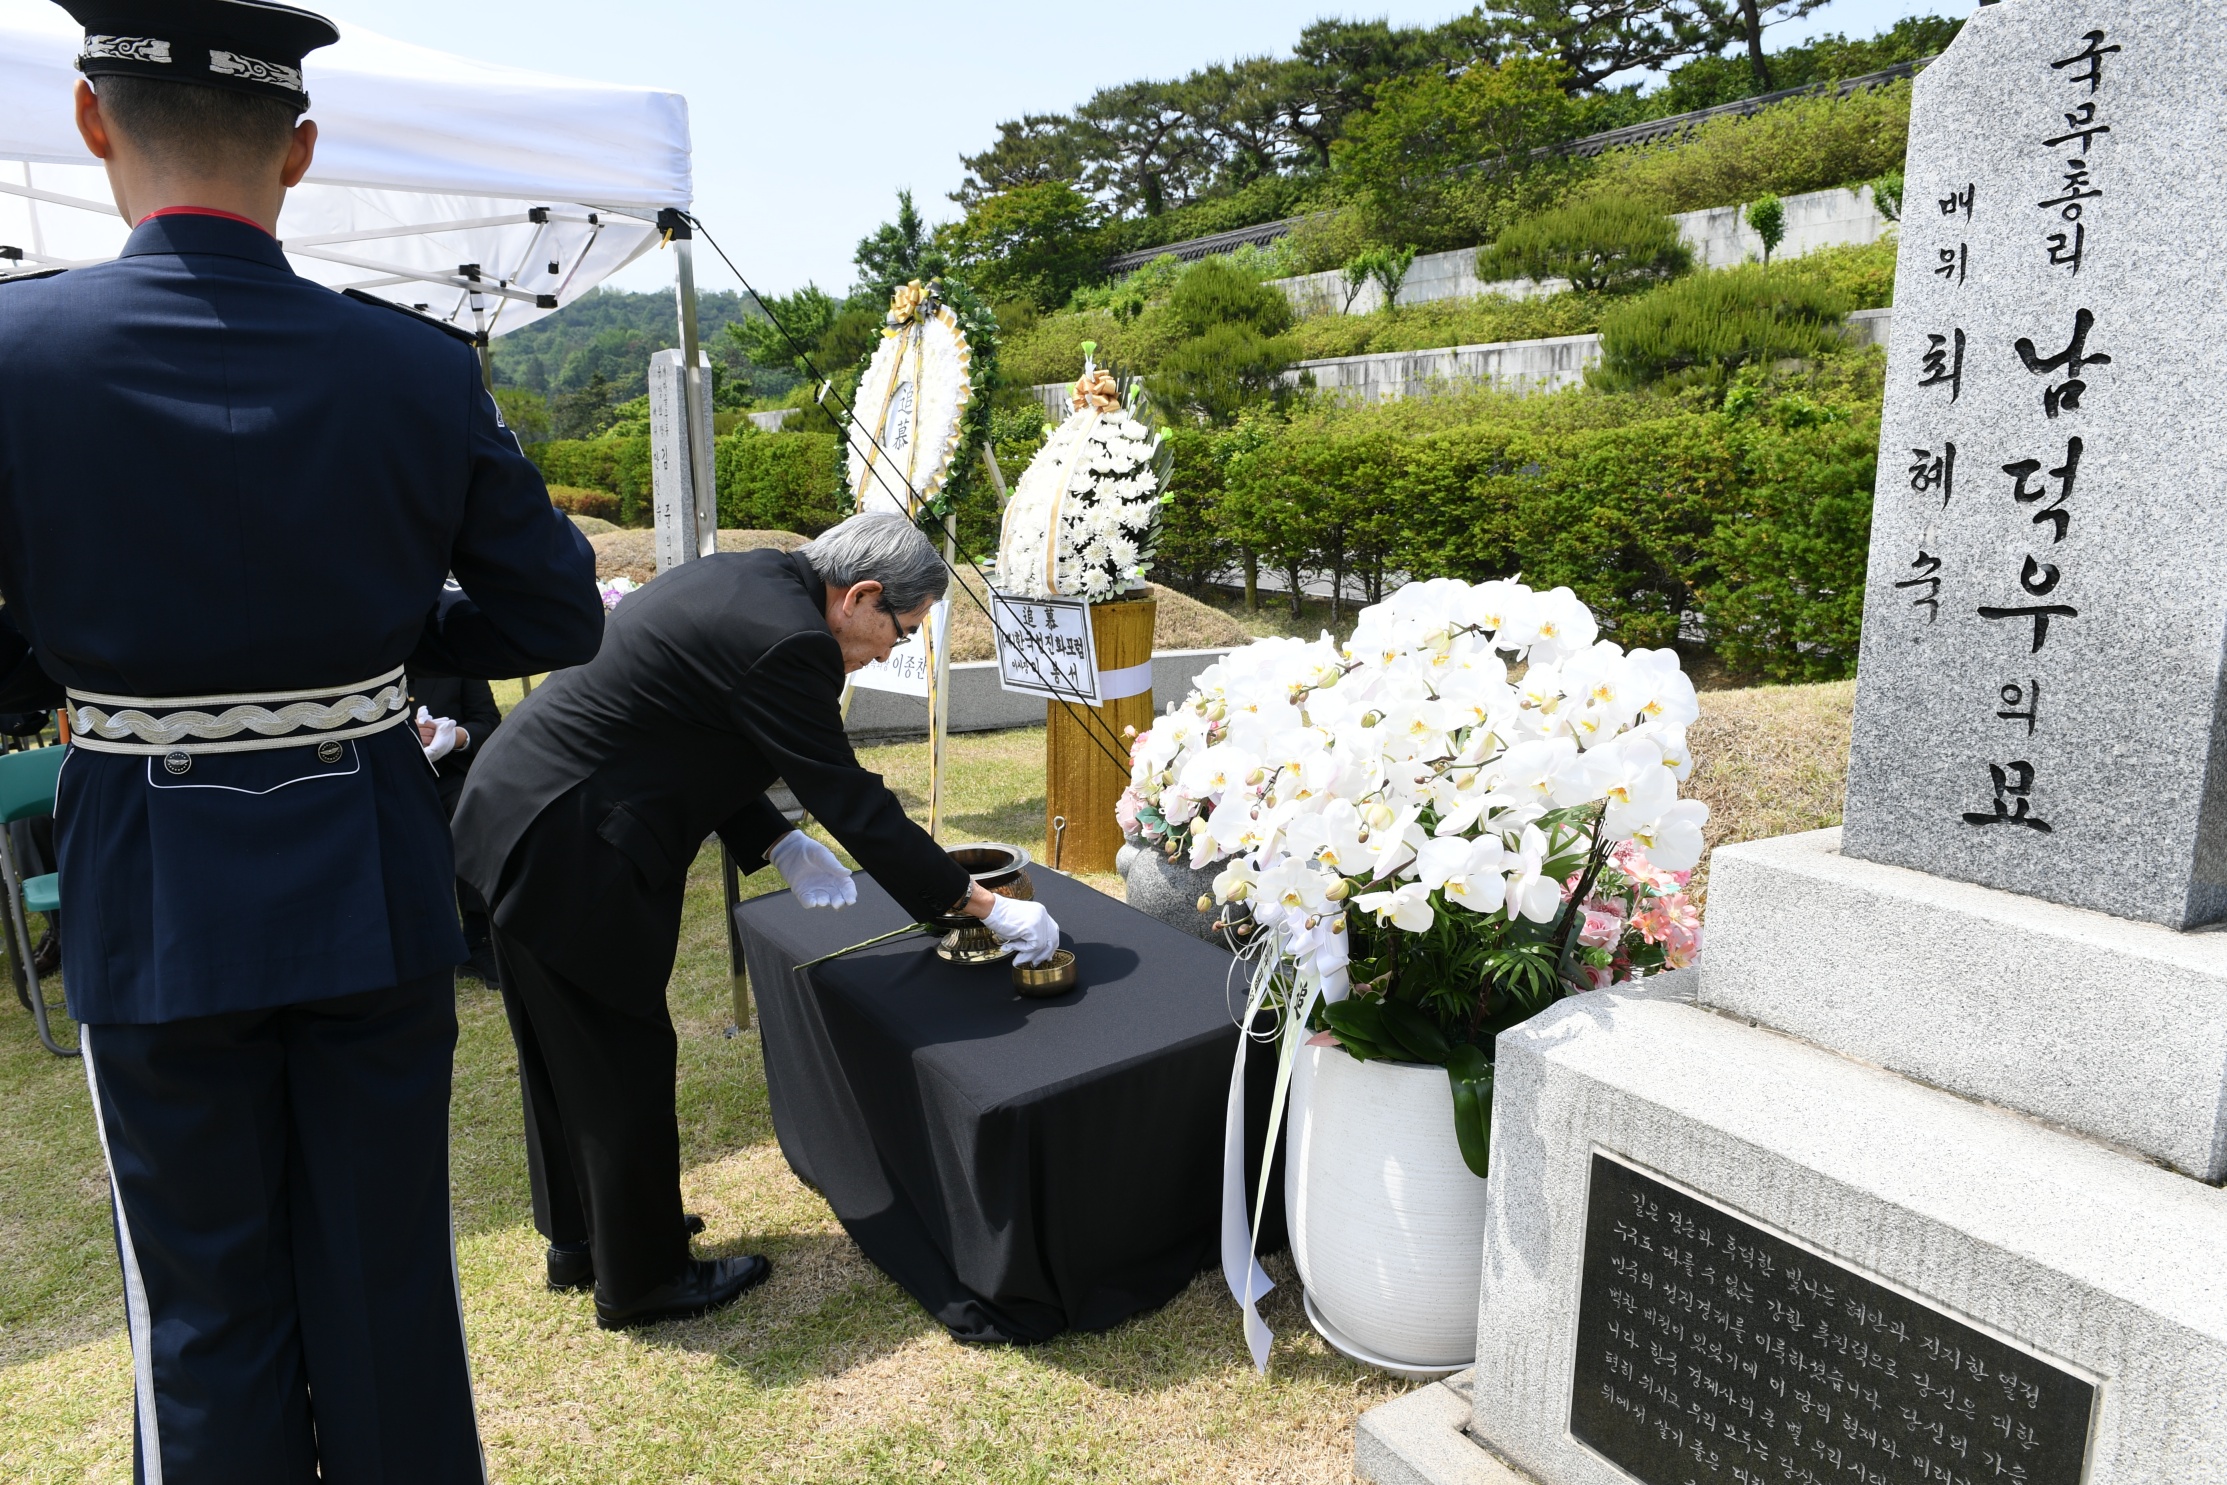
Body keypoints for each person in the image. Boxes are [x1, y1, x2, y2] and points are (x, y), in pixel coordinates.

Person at [0, 3, 605, 1479]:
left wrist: (57, 672)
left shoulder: (15, 352)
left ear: (93, 123)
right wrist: (393, 647)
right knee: (387, 1283)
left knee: (204, 1302)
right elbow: (554, 612)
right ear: (303, 151)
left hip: (150, 865)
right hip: (365, 858)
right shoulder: (413, 363)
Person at [452, 512, 1061, 1329]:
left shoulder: (748, 580)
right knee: (616, 1058)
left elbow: (703, 727)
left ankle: (585, 1236)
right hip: (571, 844)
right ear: (861, 596)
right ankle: (643, 1279)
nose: (889, 651)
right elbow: (849, 798)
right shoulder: (792, 641)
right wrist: (979, 903)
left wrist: (775, 841)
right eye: (898, 630)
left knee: (561, 1050)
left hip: (518, 811)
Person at [412, 662, 506, 983]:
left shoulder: (456, 657)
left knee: (475, 805)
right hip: (387, 779)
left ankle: (479, 937)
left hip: (449, 775)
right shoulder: (368, 660)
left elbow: (489, 722)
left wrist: (455, 737)